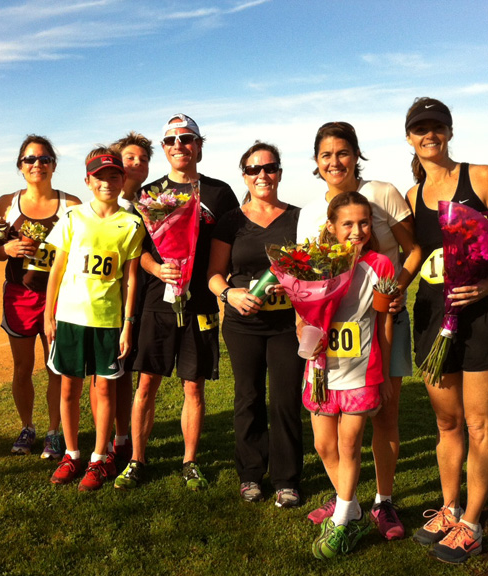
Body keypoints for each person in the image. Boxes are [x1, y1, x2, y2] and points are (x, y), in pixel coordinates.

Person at [404, 97, 488, 564]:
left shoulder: (482, 177)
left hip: (484, 315)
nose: (429, 135)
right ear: (409, 138)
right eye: (420, 128)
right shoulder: (413, 195)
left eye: (437, 126)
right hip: (434, 317)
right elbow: (416, 255)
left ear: (450, 132)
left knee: (479, 423)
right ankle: (449, 508)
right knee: (447, 422)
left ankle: (472, 523)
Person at [297, 121, 418, 539]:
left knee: (385, 415)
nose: (335, 162)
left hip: (382, 323)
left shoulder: (381, 193)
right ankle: (346, 499)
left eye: (343, 152)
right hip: (329, 344)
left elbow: (413, 249)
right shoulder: (310, 213)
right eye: (326, 155)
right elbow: (306, 282)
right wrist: (306, 330)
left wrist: (395, 289)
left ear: (356, 155)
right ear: (316, 161)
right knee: (329, 438)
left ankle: (384, 502)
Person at [115, 114, 239, 491]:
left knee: (193, 387)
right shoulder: (149, 194)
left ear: (199, 146)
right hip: (157, 302)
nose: (178, 145)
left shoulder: (219, 193)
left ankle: (190, 462)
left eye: (187, 138)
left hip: (200, 303)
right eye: (171, 140)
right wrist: (157, 268)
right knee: (146, 384)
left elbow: (233, 246)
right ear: (164, 148)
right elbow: (138, 253)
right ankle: (137, 460)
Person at [207, 141, 304, 507]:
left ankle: (286, 479)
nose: (262, 175)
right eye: (253, 169)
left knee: (285, 399)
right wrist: (229, 294)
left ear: (279, 173)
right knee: (248, 397)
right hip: (242, 323)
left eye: (270, 167)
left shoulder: (297, 218)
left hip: (286, 325)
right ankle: (250, 473)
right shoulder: (231, 221)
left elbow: (310, 272)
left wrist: (293, 285)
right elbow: (214, 274)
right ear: (244, 176)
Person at [44, 147, 144, 491]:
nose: (107, 183)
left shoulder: (131, 223)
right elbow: (57, 269)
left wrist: (127, 324)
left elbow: (131, 279)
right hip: (70, 318)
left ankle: (99, 458)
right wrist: (49, 314)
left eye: (114, 176)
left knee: (104, 388)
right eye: (99, 177)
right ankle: (71, 454)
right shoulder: (73, 217)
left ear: (123, 180)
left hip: (107, 321)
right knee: (69, 387)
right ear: (88, 181)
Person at [301, 191, 394, 559]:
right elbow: (301, 315)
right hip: (321, 370)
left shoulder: (380, 265)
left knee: (349, 442)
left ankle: (341, 522)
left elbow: (384, 322)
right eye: (348, 224)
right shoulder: (315, 263)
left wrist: (384, 372)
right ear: (331, 226)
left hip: (361, 371)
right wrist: (307, 341)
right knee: (324, 445)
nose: (357, 230)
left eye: (364, 223)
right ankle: (352, 505)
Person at [0, 135, 80, 458]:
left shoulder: (71, 204)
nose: (37, 164)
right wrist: (8, 249)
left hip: (59, 297)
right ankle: (27, 427)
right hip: (19, 294)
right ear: (20, 166)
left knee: (56, 366)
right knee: (22, 367)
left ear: (53, 165)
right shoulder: (7, 203)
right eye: (30, 159)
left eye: (44, 159)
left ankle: (54, 432)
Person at [88, 132, 153, 471]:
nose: (137, 163)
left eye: (144, 159)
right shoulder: (102, 206)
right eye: (130, 158)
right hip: (105, 305)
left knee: (125, 372)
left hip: (141, 300)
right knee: (102, 375)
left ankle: (123, 437)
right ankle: (103, 443)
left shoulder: (154, 201)